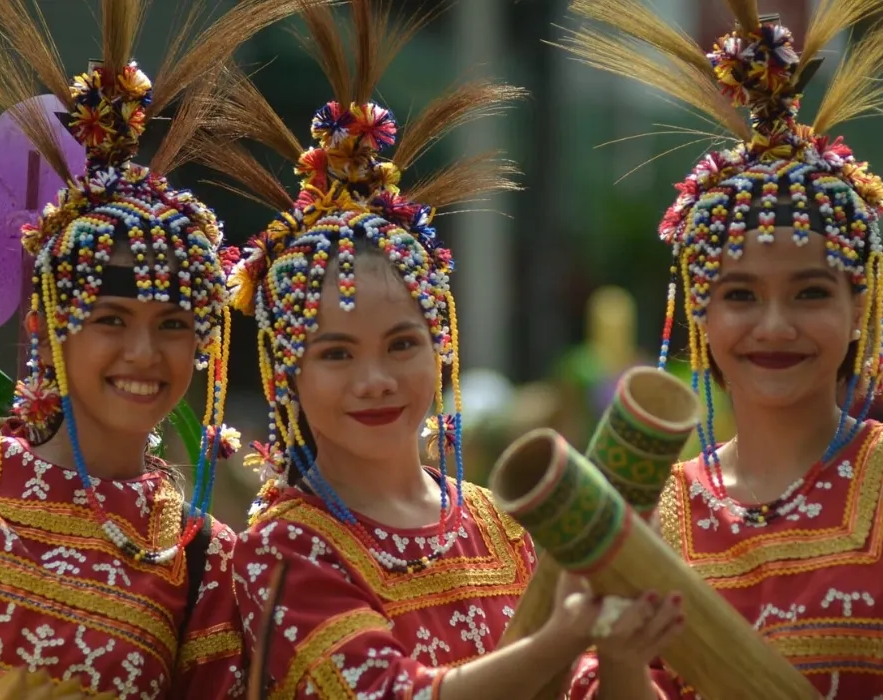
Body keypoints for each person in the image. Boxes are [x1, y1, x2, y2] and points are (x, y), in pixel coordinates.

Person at [198, 1, 684, 697]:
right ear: (286, 374)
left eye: (401, 344)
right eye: (336, 354)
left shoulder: (499, 524)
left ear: (441, 347)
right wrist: (562, 637)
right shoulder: (283, 550)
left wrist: (623, 652)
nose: (376, 379)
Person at [554, 0, 883, 697]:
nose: (774, 326)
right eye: (741, 296)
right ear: (701, 312)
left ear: (859, 306)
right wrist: (623, 662)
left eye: (810, 293)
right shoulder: (661, 513)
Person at [0, 1, 303, 696]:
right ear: (51, 329)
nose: (144, 352)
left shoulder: (201, 557)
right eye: (111, 319)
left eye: (174, 324)